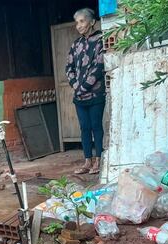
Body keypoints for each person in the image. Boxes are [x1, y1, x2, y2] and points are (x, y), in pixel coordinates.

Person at [66, 8, 106, 175]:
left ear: (92, 22)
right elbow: (69, 68)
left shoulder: (100, 41)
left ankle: (98, 161)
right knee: (84, 128)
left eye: (82, 21)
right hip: (79, 97)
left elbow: (99, 67)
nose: (79, 26)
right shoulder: (76, 44)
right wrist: (76, 86)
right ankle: (87, 161)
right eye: (77, 22)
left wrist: (82, 88)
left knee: (96, 126)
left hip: (96, 94)